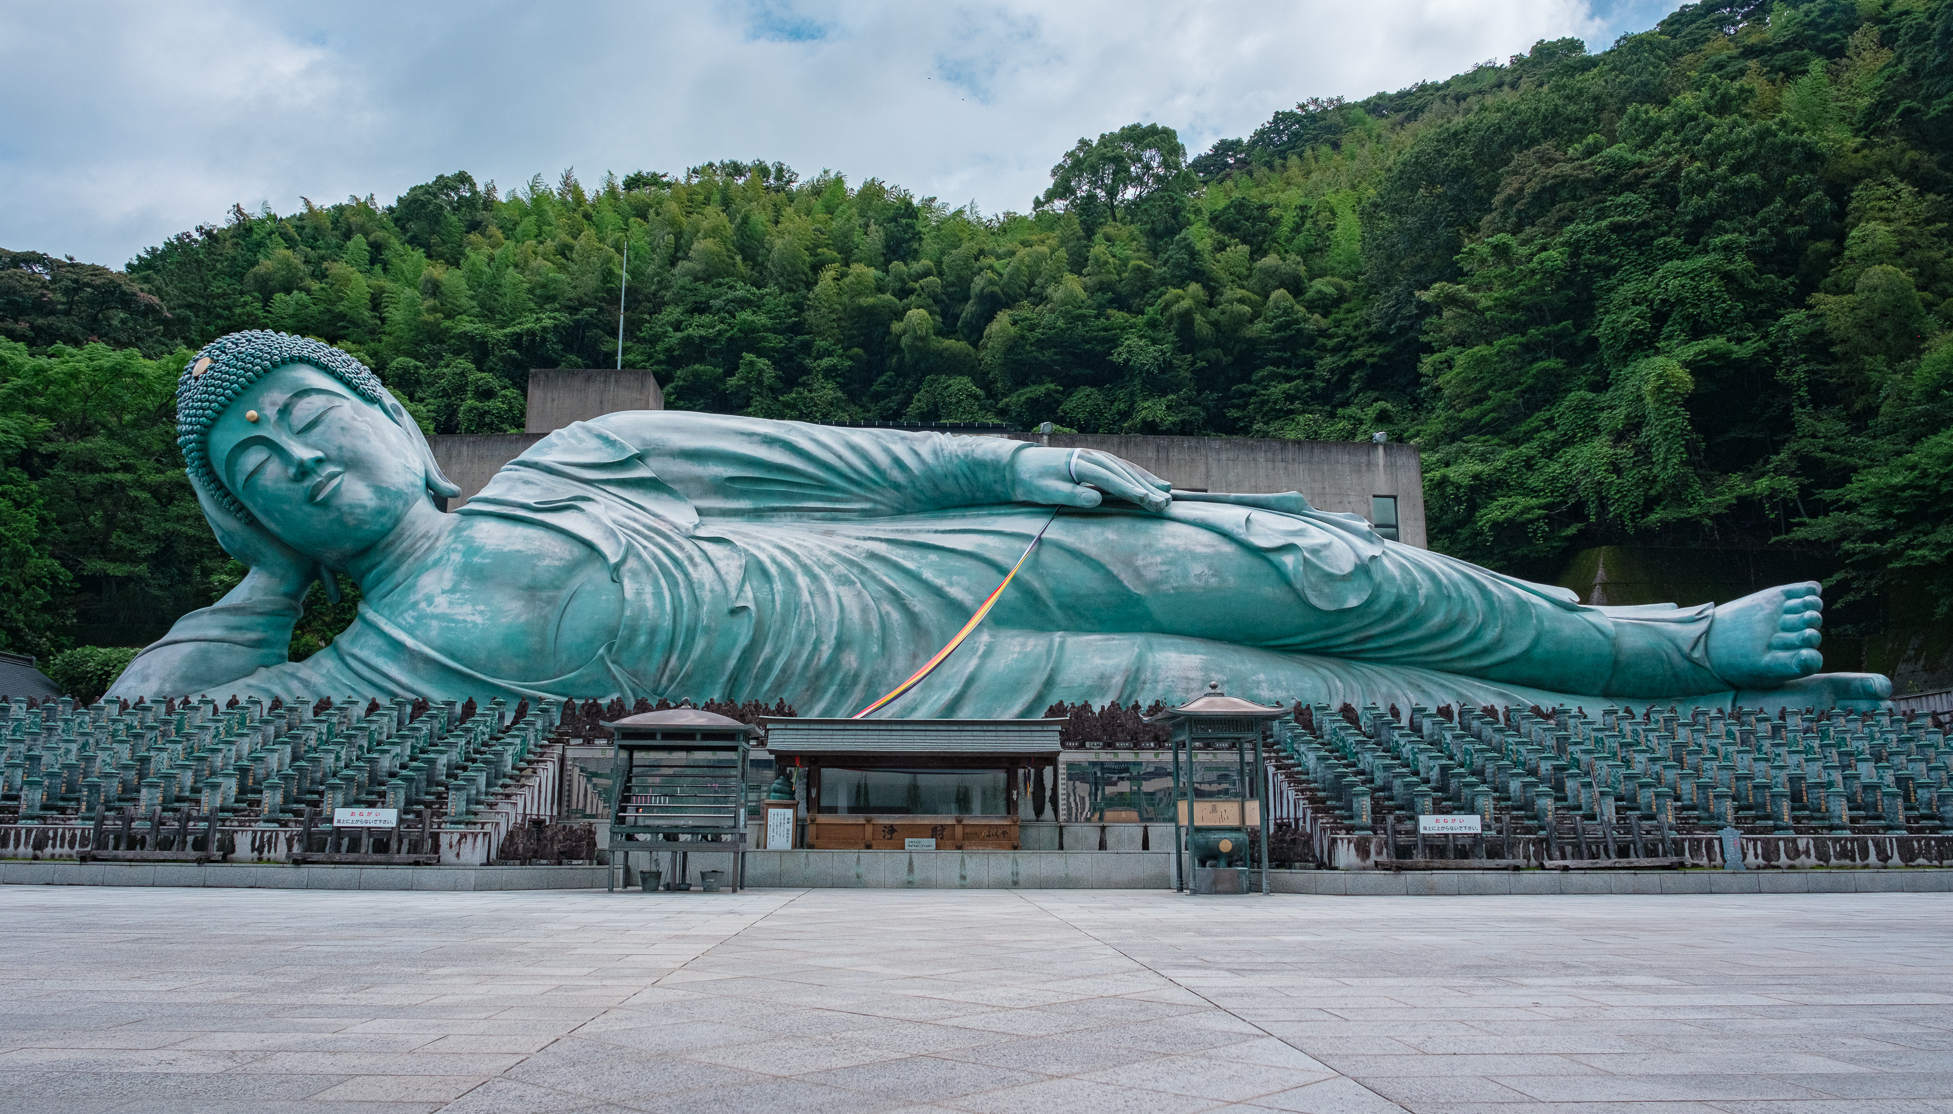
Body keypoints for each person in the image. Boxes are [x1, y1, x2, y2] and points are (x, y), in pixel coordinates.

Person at [109, 331, 1891, 714]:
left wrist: (1001, 464)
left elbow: (835, 460)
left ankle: (1652, 638)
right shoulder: (374, 668)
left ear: (398, 418)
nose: (288, 455)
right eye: (248, 464)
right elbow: (146, 736)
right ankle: (1691, 706)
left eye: (301, 415)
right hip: (909, 698)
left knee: (1303, 561)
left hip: (931, 562)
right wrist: (262, 591)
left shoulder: (586, 463)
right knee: (1283, 697)